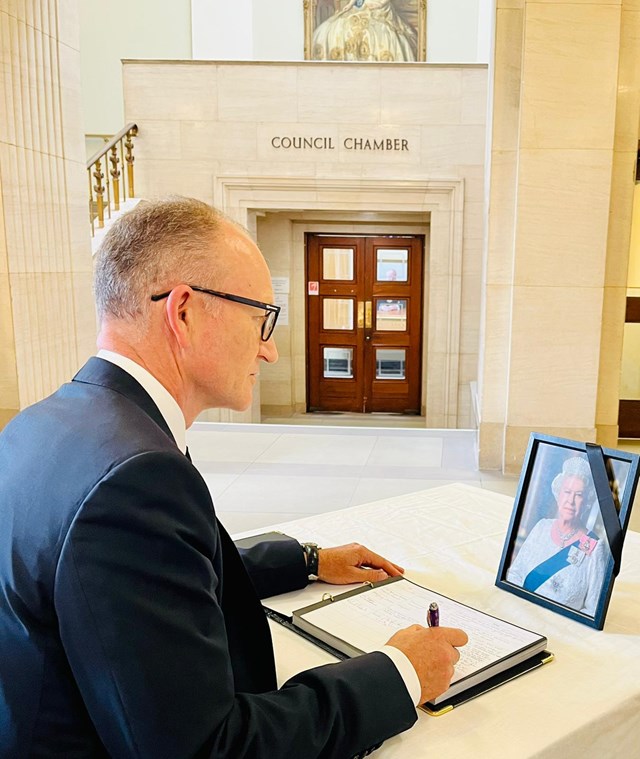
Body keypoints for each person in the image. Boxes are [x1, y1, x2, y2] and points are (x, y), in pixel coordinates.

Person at [0, 198, 467, 758]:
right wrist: (400, 673)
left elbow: (148, 580)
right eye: (259, 317)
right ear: (185, 312)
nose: (268, 350)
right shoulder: (134, 478)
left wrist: (309, 560)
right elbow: (210, 749)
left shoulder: (46, 422)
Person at [506, 456, 609, 616]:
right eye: (567, 492)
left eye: (579, 495)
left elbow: (593, 610)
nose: (570, 501)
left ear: (587, 501)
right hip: (520, 615)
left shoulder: (595, 547)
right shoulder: (541, 527)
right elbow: (514, 574)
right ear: (558, 494)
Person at [312, 0, 417, 62]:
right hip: (361, 7)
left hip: (379, 8)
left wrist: (378, 4)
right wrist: (350, 4)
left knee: (373, 31)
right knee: (339, 25)